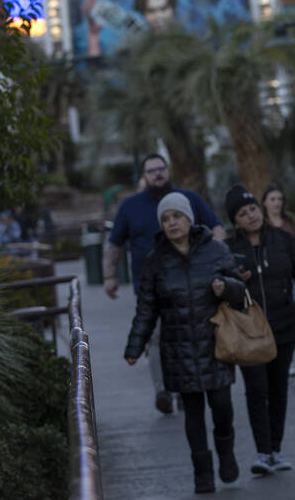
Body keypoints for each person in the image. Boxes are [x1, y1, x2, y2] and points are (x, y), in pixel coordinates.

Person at [123, 193, 247, 494]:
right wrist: (134, 346)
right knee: (192, 413)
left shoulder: (216, 250)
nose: (172, 223)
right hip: (178, 348)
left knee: (221, 406)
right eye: (165, 219)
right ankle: (202, 473)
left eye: (176, 216)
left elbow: (241, 291)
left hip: (215, 343)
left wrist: (225, 287)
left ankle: (227, 454)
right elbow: (146, 307)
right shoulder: (156, 260)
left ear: (189, 218)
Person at [106, 154, 226, 414]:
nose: (158, 174)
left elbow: (216, 227)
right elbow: (115, 243)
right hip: (150, 286)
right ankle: (163, 389)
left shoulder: (189, 200)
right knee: (159, 338)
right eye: (152, 171)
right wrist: (109, 276)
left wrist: (223, 262)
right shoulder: (130, 207)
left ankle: (186, 389)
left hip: (194, 285)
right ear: (144, 176)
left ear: (168, 170)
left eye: (161, 169)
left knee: (188, 337)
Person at [224, 185, 295, 476]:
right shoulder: (229, 250)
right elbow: (218, 290)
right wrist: (234, 280)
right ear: (235, 221)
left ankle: (275, 450)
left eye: (253, 208)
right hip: (247, 330)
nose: (251, 215)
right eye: (243, 213)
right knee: (256, 390)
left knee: (278, 390)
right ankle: (262, 452)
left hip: (283, 326)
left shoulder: (284, 240)